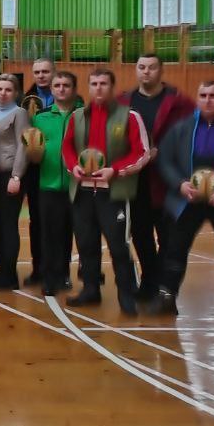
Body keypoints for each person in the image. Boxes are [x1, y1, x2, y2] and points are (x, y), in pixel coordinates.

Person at [61, 68, 147, 316]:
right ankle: (90, 289)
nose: (98, 88)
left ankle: (126, 294)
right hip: (82, 192)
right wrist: (74, 167)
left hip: (114, 192)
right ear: (88, 87)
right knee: (86, 244)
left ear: (112, 87)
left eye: (103, 83)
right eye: (94, 83)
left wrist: (115, 170)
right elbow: (67, 148)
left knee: (119, 246)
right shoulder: (77, 116)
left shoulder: (129, 116)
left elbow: (141, 152)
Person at [153, 80, 214, 323]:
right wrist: (180, 184)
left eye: (213, 95)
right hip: (187, 201)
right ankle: (167, 298)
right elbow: (165, 159)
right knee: (174, 249)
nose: (208, 100)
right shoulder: (182, 127)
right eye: (203, 95)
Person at [121, 53, 195, 299]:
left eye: (152, 67)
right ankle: (149, 281)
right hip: (136, 182)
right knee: (141, 234)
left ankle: (166, 288)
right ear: (136, 70)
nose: (146, 71)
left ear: (161, 70)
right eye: (141, 67)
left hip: (170, 183)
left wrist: (163, 154)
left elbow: (192, 137)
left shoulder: (180, 102)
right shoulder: (124, 102)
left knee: (169, 238)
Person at [34, 71, 83, 297]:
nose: (61, 89)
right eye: (57, 85)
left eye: (66, 85)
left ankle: (65, 274)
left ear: (74, 89)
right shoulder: (40, 118)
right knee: (49, 234)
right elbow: (33, 150)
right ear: (51, 89)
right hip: (49, 185)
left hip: (78, 185)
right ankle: (49, 277)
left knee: (71, 232)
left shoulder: (83, 116)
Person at [0, 73, 31, 290]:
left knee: (8, 224)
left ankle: (10, 275)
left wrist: (16, 176)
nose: (3, 93)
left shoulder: (20, 113)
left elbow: (24, 144)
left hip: (9, 175)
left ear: (16, 93)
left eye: (8, 89)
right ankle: (1, 269)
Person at [20, 58, 56, 286]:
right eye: (37, 72)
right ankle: (38, 269)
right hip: (34, 169)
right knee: (37, 221)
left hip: (58, 169)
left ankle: (59, 271)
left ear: (54, 73)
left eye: (45, 71)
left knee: (60, 222)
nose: (41, 75)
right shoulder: (25, 100)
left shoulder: (68, 99)